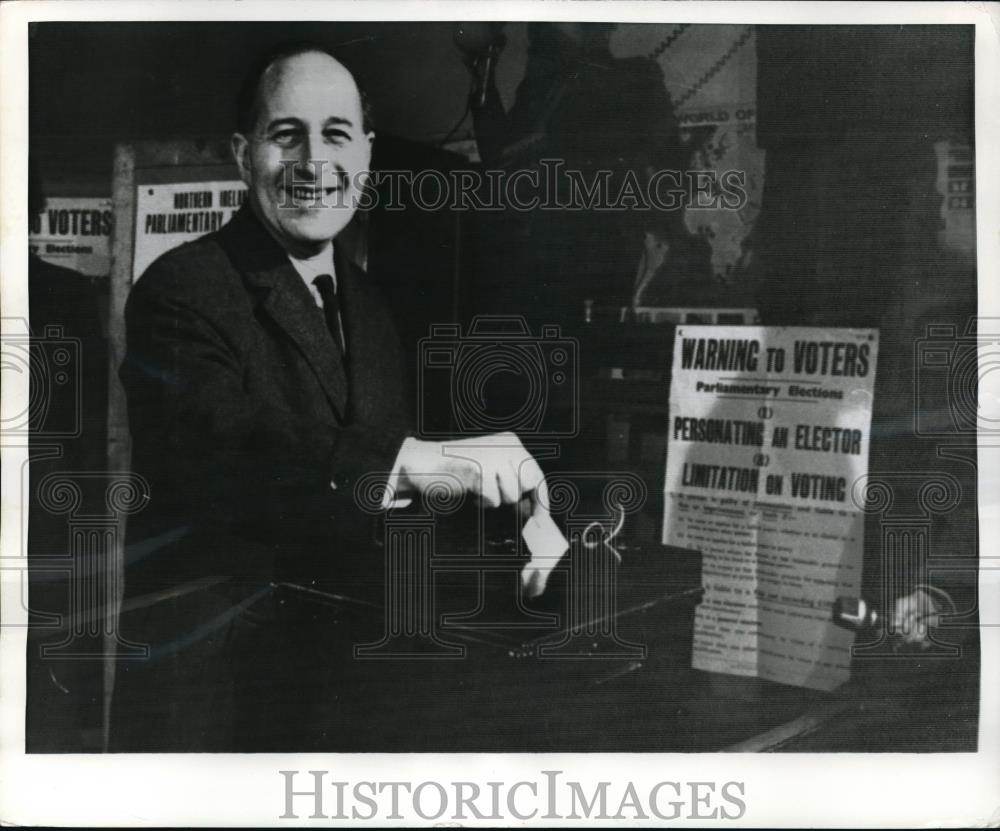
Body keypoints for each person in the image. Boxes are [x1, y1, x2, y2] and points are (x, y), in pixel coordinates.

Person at [111, 42, 550, 752]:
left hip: (338, 696)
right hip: (215, 711)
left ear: (367, 156)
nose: (315, 163)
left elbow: (378, 505)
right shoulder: (181, 289)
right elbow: (224, 442)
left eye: (337, 135)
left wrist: (517, 540)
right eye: (288, 135)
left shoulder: (372, 306)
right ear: (242, 151)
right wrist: (408, 461)